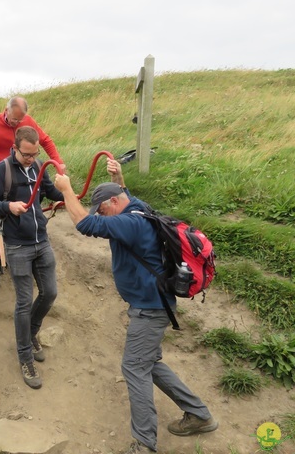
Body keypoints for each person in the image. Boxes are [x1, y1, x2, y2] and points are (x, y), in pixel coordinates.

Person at [53, 159, 218, 454]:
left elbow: (84, 224)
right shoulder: (140, 207)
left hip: (149, 309)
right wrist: (120, 177)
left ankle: (144, 444)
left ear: (115, 202)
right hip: (155, 305)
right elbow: (125, 197)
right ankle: (199, 414)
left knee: (133, 367)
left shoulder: (131, 222)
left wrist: (65, 189)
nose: (102, 215)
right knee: (149, 364)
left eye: (103, 209)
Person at [0, 126, 64, 390]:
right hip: (17, 246)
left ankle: (32, 331)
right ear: (15, 148)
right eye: (26, 154)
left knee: (50, 293)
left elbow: (50, 192)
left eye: (34, 153)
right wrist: (8, 207)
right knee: (24, 302)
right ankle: (25, 356)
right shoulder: (1, 171)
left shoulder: (39, 165)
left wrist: (67, 190)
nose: (30, 159)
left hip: (42, 241)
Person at [0, 96, 65, 173]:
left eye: (20, 120)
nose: (17, 123)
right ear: (7, 110)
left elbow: (45, 141)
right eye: (14, 119)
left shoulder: (28, 121)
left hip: (23, 170)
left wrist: (58, 162)